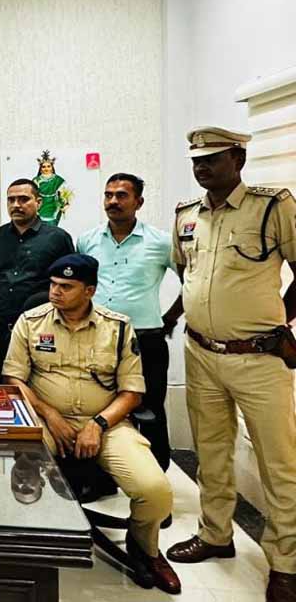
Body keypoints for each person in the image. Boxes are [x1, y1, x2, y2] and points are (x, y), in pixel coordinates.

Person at [164, 127, 296, 602]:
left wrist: (281, 326)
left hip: (258, 356)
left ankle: (286, 562)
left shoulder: (272, 207)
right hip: (201, 353)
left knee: (278, 461)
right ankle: (216, 533)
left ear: (238, 159)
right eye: (196, 160)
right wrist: (173, 320)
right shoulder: (186, 215)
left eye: (213, 158)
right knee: (211, 452)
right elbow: (189, 275)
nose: (202, 167)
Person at [4, 255, 181, 594]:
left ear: (89, 290)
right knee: (22, 464)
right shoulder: (31, 322)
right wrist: (49, 414)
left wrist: (97, 424)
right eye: (53, 285)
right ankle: (30, 540)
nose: (55, 292)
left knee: (155, 491)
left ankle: (145, 548)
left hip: (107, 424)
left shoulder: (118, 328)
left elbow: (132, 393)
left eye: (66, 287)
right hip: (46, 420)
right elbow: (14, 379)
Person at [76, 172, 179, 471]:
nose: (113, 201)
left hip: (144, 338)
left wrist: (170, 318)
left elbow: (193, 282)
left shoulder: (161, 242)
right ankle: (103, 475)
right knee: (99, 405)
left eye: (121, 195)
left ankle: (156, 479)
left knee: (150, 410)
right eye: (108, 195)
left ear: (139, 202)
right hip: (96, 337)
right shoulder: (87, 240)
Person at [0, 178, 74, 382]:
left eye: (23, 199)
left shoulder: (58, 238)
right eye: (11, 200)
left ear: (38, 202)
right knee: (0, 383)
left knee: (43, 383)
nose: (16, 205)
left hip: (43, 327)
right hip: (1, 325)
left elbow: (68, 283)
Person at [32, 150, 69, 227]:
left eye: (48, 166)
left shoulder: (58, 180)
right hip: (41, 206)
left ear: (52, 167)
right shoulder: (36, 180)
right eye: (44, 166)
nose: (46, 168)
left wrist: (65, 203)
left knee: (52, 226)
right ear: (40, 168)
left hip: (54, 205)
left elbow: (63, 194)